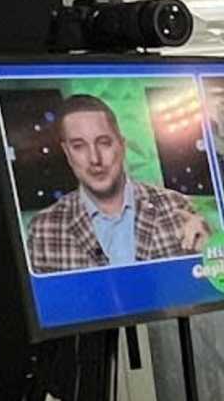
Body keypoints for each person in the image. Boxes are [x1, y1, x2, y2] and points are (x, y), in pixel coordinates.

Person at [23, 94, 207, 272]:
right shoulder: (43, 230)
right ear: (67, 153)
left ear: (121, 145)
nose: (94, 158)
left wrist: (212, 254)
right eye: (79, 146)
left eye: (104, 143)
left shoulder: (176, 208)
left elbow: (205, 291)